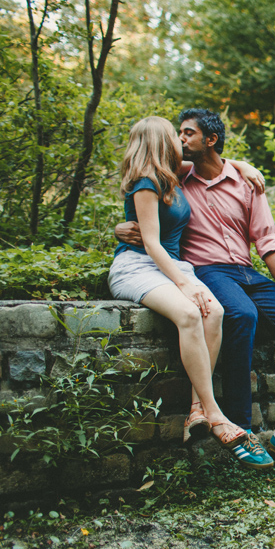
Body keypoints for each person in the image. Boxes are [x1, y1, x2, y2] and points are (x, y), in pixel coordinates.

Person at [116, 109, 275, 474]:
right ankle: (239, 428)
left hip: (247, 270)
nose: (180, 140)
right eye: (177, 134)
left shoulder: (246, 181)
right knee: (241, 316)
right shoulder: (179, 175)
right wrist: (121, 227)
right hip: (207, 270)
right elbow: (143, 192)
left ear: (210, 140)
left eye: (188, 134)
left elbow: (267, 239)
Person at [108, 116, 246, 452]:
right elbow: (152, 244)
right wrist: (186, 283)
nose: (180, 140)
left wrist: (245, 167)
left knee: (213, 312)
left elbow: (214, 162)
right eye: (174, 134)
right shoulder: (145, 182)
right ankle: (215, 415)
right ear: (160, 141)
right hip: (138, 266)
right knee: (189, 313)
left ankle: (195, 412)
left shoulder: (174, 174)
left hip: (170, 267)